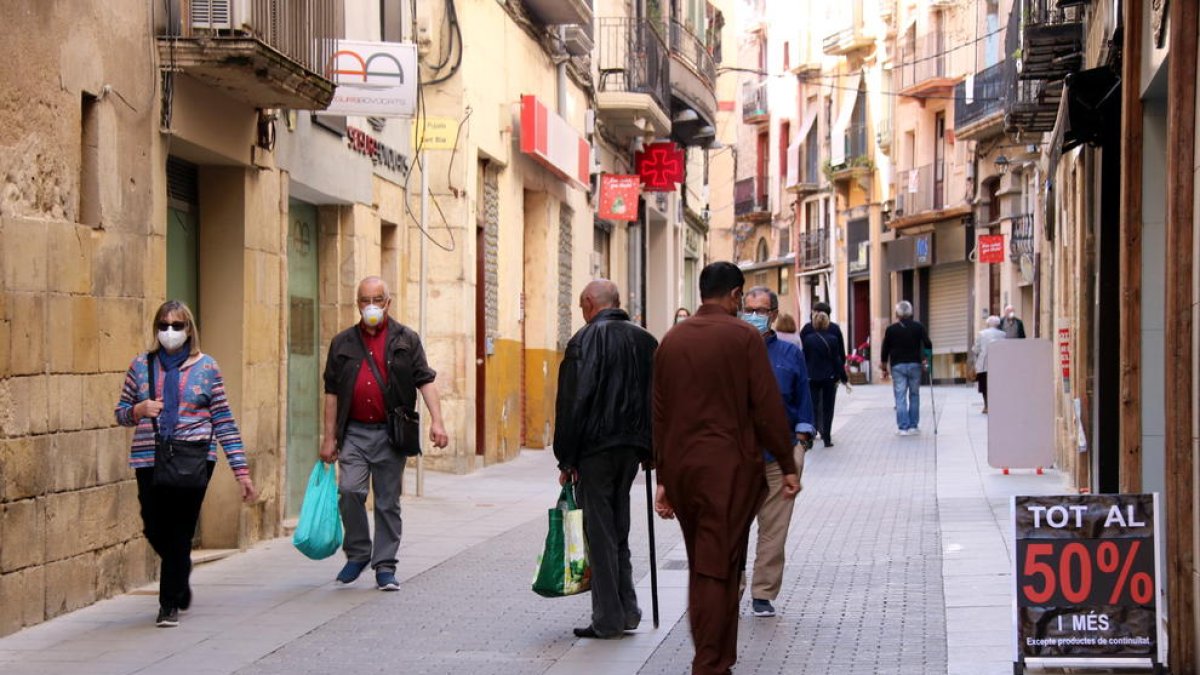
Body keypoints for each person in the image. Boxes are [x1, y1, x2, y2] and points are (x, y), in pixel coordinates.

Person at [653, 261, 799, 675]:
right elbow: (767, 407)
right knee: (717, 567)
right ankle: (711, 662)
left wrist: (664, 478)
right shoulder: (743, 338)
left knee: (709, 561)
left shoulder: (671, 341)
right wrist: (787, 464)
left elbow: (659, 414)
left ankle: (718, 657)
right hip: (729, 470)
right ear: (735, 295)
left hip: (683, 470)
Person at [115, 300, 258, 628]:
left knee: (179, 527)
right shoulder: (141, 366)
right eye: (163, 325)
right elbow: (120, 412)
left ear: (189, 329)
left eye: (177, 325)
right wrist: (138, 410)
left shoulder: (207, 367)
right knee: (154, 525)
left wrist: (242, 473)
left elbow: (223, 420)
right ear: (155, 329)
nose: (170, 332)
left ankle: (168, 604)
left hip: (194, 457)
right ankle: (180, 571)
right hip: (149, 458)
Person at [320, 276, 449, 591]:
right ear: (358, 304)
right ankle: (359, 553)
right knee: (350, 491)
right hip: (353, 432)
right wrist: (328, 437)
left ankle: (385, 566)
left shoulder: (406, 339)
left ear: (388, 303)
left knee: (388, 502)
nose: (372, 306)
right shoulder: (343, 343)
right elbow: (332, 393)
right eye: (366, 300)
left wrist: (437, 421)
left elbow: (426, 380)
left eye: (378, 299)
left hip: (391, 432)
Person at [553, 280, 658, 640]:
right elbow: (656, 398)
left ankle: (609, 618)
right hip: (631, 449)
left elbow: (573, 403)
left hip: (595, 449)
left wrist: (566, 459)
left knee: (600, 532)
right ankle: (627, 610)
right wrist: (652, 448)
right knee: (619, 528)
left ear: (588, 302)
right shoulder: (645, 341)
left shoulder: (584, 340)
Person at [740, 287, 814, 619]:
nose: (754, 315)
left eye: (761, 310)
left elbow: (804, 396)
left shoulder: (789, 353)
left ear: (773, 314)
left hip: (779, 456)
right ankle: (731, 587)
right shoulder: (731, 350)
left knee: (774, 530)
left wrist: (802, 440)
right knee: (734, 528)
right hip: (738, 458)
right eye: (748, 309)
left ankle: (762, 593)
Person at [879, 300, 932, 436]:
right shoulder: (918, 327)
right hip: (915, 364)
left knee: (900, 396)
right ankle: (913, 426)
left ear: (897, 314)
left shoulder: (891, 329)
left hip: (898, 366)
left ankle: (903, 428)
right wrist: (926, 361)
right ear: (911, 312)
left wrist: (884, 365)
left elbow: (885, 348)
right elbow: (928, 344)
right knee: (914, 395)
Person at [802, 311, 848, 447]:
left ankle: (811, 435)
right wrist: (843, 377)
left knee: (813, 407)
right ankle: (827, 438)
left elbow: (805, 358)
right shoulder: (833, 340)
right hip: (829, 377)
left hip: (812, 377)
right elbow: (836, 360)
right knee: (828, 408)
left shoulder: (808, 339)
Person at [971, 315, 1006, 413]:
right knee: (997, 385)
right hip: (998, 364)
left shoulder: (981, 334)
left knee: (984, 386)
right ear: (997, 324)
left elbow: (975, 349)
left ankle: (986, 406)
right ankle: (996, 405)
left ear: (988, 324)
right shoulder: (1003, 334)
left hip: (984, 364)